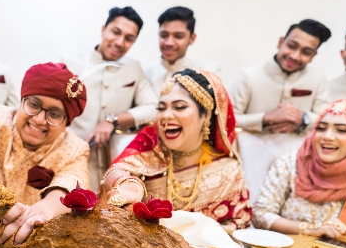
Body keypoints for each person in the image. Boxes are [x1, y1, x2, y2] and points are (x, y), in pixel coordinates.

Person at [0, 62, 89, 243]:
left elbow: (71, 183)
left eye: (54, 114)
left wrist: (44, 210)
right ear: (21, 102)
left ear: (66, 123)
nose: (39, 119)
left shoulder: (74, 148)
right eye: (34, 105)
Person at [102, 69, 251, 233]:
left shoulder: (228, 170)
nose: (165, 115)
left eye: (179, 107)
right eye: (161, 107)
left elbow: (239, 226)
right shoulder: (150, 147)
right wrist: (129, 186)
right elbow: (117, 171)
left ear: (206, 115)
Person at [62, 6, 157, 191]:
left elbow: (154, 108)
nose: (120, 42)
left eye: (129, 39)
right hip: (68, 161)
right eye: (115, 32)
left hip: (113, 167)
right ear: (103, 29)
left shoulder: (133, 68)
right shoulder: (70, 63)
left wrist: (113, 119)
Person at [252, 99, 346, 237]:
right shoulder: (292, 163)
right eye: (321, 128)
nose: (327, 136)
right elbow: (260, 214)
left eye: (341, 130)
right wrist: (310, 229)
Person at [232, 19, 332, 133]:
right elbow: (227, 119)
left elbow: (326, 119)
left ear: (313, 56)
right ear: (280, 42)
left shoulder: (317, 77)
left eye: (306, 52)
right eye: (291, 46)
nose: (295, 56)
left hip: (301, 149)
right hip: (251, 148)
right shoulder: (249, 75)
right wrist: (267, 117)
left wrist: (303, 119)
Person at [144, 6, 221, 97]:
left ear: (192, 38)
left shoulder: (208, 72)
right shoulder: (145, 74)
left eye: (178, 36)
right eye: (164, 35)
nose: (169, 43)